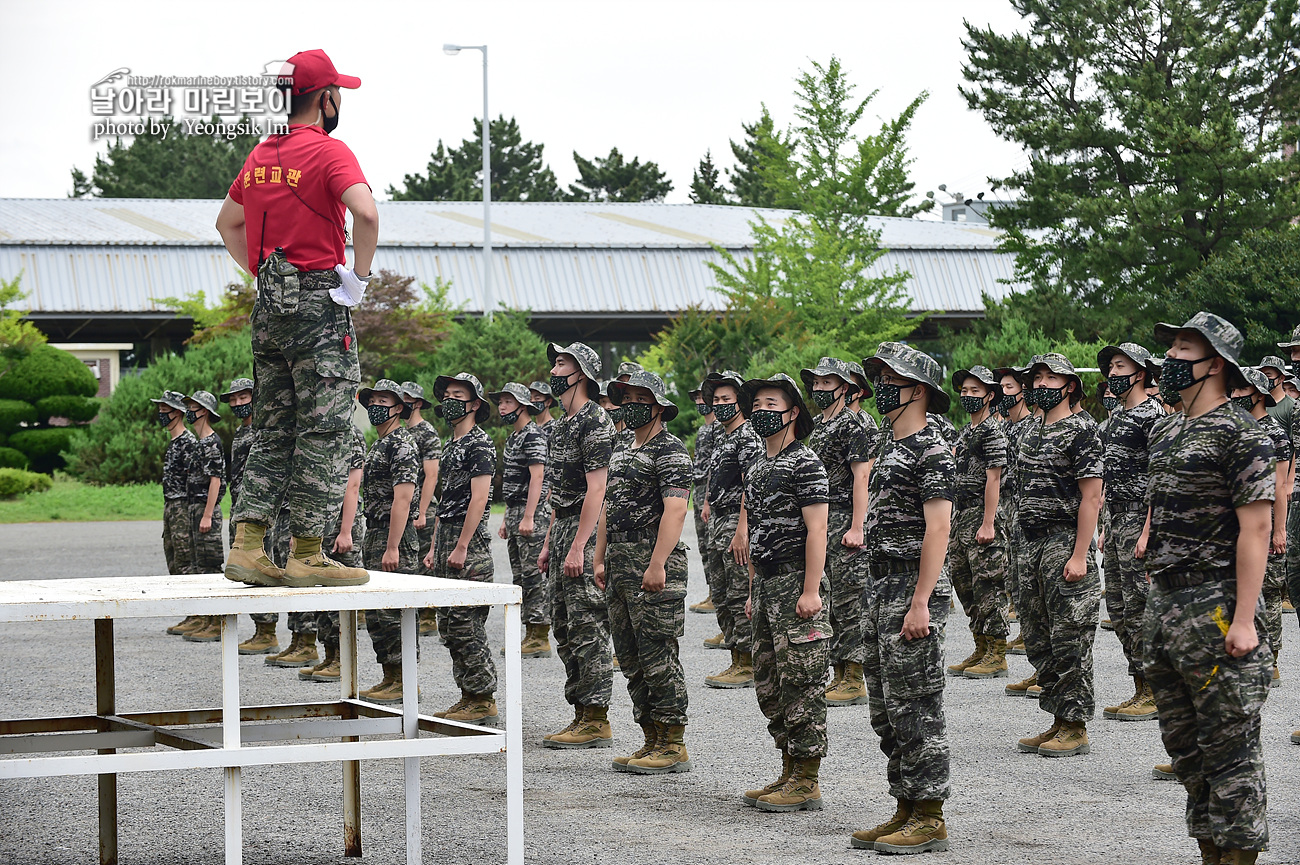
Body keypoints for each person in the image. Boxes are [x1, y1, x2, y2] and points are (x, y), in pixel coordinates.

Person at [215, 48, 374, 590]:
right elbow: (367, 212)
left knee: (273, 429)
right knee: (325, 428)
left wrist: (262, 271)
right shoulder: (329, 153)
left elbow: (227, 223)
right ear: (325, 98)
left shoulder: (260, 155)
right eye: (337, 94)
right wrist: (359, 277)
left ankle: (247, 546)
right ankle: (308, 552)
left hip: (270, 308)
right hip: (318, 305)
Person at [1138, 312, 1274, 865]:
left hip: (1217, 603)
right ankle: (1210, 854)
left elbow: (1257, 528)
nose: (1169, 359)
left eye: (1182, 349)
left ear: (1214, 362)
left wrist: (1244, 618)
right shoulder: (1167, 429)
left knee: (1230, 751)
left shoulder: (1243, 434)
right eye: (1169, 348)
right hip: (1166, 604)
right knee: (1187, 752)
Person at [849, 343, 954, 854]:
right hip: (881, 586)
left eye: (891, 377)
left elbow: (938, 531)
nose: (881, 385)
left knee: (917, 705)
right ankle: (905, 804)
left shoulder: (932, 449)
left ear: (918, 390)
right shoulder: (891, 447)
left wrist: (921, 602)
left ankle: (930, 814)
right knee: (885, 707)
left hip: (913, 588)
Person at [736, 373, 830, 814]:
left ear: (793, 412)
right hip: (769, 584)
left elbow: (817, 529)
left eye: (770, 404)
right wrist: (755, 589)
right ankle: (789, 766)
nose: (760, 412)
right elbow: (756, 535)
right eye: (755, 405)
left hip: (797, 582)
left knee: (802, 682)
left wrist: (811, 589)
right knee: (769, 682)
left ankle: (807, 779)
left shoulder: (806, 462)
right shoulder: (757, 466)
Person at [597, 370, 693, 773]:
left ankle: (672, 743)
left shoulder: (670, 450)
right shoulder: (621, 447)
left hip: (653, 558)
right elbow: (607, 504)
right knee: (630, 656)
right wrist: (599, 556)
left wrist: (656, 564)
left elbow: (676, 509)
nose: (632, 404)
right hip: (619, 558)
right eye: (627, 397)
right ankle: (650, 736)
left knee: (658, 653)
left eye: (640, 398)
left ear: (657, 406)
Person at [1014, 353, 1104, 759]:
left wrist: (1080, 554)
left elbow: (1092, 496)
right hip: (1029, 543)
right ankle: (1057, 717)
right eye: (1037, 378)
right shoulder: (1029, 429)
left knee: (1070, 638)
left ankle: (1076, 725)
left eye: (1051, 378)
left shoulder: (1081, 432)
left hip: (1064, 541)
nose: (1042, 384)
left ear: (1069, 386)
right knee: (1038, 637)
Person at [539, 342, 618, 748]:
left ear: (582, 373)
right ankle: (580, 711)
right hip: (565, 527)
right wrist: (552, 541)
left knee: (588, 624)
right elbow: (560, 490)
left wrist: (578, 547)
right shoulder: (560, 426)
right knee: (564, 625)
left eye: (562, 363)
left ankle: (596, 716)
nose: (555, 369)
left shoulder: (595, 422)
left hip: (586, 533)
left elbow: (598, 489)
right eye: (554, 362)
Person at [421, 373, 499, 724]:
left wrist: (462, 545)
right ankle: (467, 695)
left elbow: (479, 499)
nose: (450, 400)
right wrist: (436, 546)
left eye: (458, 395)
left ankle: (483, 699)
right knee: (449, 625)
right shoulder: (449, 444)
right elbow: (445, 501)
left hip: (470, 543)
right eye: (447, 395)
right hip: (447, 539)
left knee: (467, 624)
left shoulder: (480, 444)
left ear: (475, 404)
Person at [1094, 343, 1165, 722]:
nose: (1113, 373)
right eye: (1111, 367)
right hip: (1118, 519)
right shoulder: (1117, 417)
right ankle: (1140, 686)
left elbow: (1159, 478)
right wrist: (1107, 526)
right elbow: (1110, 479)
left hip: (1141, 519)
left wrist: (1148, 531)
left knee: (1141, 608)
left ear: (1140, 372)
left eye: (1120, 366)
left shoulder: (1152, 417)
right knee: (1119, 609)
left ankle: (1155, 689)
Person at [799, 357, 875, 705]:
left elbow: (862, 476)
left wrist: (859, 526)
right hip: (821, 521)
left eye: (827, 384)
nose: (819, 390)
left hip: (845, 518)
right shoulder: (817, 424)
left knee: (850, 599)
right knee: (828, 599)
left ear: (845, 388)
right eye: (816, 384)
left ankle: (854, 675)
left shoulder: (855, 423)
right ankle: (837, 670)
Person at [356, 381, 420, 705]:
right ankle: (390, 676)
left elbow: (403, 498)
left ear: (398, 408)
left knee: (395, 611)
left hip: (395, 534)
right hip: (375, 532)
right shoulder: (379, 443)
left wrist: (393, 546)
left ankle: (405, 679)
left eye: (384, 401)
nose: (376, 406)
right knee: (377, 613)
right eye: (373, 400)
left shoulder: (401, 444)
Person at [945, 365, 1010, 682]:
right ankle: (980, 646)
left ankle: (997, 653)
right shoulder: (965, 432)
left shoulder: (992, 432)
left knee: (988, 585)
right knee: (964, 582)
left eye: (975, 390)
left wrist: (988, 523)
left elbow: (994, 479)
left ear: (990, 395)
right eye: (965, 390)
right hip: (961, 516)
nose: (968, 396)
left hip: (983, 515)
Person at [701, 370, 764, 688]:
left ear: (740, 402)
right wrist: (708, 502)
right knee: (722, 594)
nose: (721, 403)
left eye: (727, 398)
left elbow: (750, 487)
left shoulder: (748, 436)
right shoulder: (721, 435)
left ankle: (748, 661)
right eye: (717, 399)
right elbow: (719, 477)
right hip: (718, 521)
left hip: (735, 523)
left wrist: (742, 530)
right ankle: (735, 658)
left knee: (740, 592)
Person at [1231, 368, 1291, 688]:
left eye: (1243, 390)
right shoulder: (1235, 430)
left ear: (1259, 394)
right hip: (1236, 524)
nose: (1237, 395)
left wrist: (1279, 530)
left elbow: (1280, 486)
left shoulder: (1275, 433)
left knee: (1267, 590)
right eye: (1235, 390)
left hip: (1264, 523)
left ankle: (1273, 658)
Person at [300, 421, 369, 683]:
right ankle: (329, 655)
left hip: (341, 526)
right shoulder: (317, 434)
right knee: (322, 596)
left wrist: (345, 531)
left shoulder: (351, 436)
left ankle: (343, 660)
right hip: (321, 526)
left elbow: (352, 487)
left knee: (341, 598)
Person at [491, 382, 552, 658]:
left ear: (522, 405)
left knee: (533, 574)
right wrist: (507, 517)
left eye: (507, 402)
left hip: (533, 513)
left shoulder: (533, 435)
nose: (502, 407)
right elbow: (514, 484)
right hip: (516, 510)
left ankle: (539, 634)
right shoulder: (516, 436)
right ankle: (529, 631)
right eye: (501, 402)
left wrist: (529, 516)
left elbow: (538, 477)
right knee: (520, 575)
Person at [221, 378, 281, 655]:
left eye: (243, 398)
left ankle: (268, 630)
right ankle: (259, 628)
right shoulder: (241, 432)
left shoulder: (264, 431)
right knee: (245, 569)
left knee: (260, 566)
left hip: (260, 513)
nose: (238, 403)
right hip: (240, 509)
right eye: (233, 400)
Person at [179, 391, 229, 643]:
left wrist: (208, 514)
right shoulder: (200, 443)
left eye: (193, 407)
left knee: (209, 568)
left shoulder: (211, 442)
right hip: (195, 508)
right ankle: (206, 620)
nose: (189, 411)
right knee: (199, 567)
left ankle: (216, 622)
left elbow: (216, 481)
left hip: (205, 509)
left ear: (205, 411)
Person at [994, 366, 1034, 673]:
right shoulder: (1006, 428)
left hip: (1025, 511)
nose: (1003, 393)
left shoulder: (1031, 427)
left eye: (1009, 387)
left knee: (1029, 582)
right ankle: (1027, 637)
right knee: (1015, 580)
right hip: (1009, 509)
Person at [156, 391, 201, 635]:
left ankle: (197, 613)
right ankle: (189, 611)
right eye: (160, 410)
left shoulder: (188, 443)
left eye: (166, 410)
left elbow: (195, 481)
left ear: (179, 413)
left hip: (183, 506)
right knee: (173, 559)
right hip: (170, 506)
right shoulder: (175, 443)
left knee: (186, 560)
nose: (162, 414)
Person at [400, 382, 443, 636]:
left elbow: (431, 475)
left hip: (421, 508)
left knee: (425, 561)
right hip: (404, 507)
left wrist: (422, 511)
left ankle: (428, 614)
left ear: (416, 403)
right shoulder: (402, 431)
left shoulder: (427, 433)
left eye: (406, 399)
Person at [687, 382, 719, 615]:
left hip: (710, 492)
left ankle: (717, 594)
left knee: (712, 545)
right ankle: (712, 591)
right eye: (696, 398)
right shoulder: (703, 430)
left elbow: (715, 469)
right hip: (698, 490)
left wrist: (708, 499)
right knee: (703, 545)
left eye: (702, 398)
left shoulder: (719, 428)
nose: (699, 402)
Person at [1258, 354, 1293, 431]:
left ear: (1281, 378)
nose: (1264, 379)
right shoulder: (1257, 403)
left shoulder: (1292, 407)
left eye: (1268, 376)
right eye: (1261, 375)